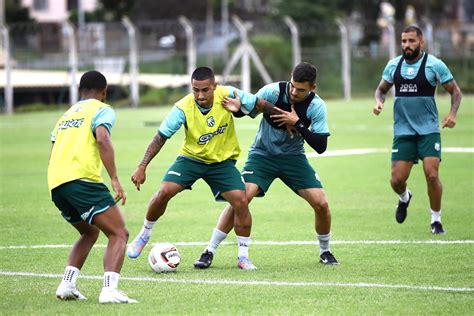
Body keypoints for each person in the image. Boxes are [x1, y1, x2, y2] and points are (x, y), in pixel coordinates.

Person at [127, 67, 279, 270]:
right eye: (195, 90)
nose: (200, 95)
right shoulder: (182, 107)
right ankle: (144, 235)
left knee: (241, 201)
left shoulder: (228, 94)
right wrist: (142, 166)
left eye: (205, 90)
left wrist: (284, 116)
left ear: (215, 87)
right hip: (191, 159)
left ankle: (243, 257)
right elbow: (160, 137)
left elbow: (259, 105)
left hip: (221, 163)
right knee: (164, 192)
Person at [194, 62, 339, 269]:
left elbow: (321, 146)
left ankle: (325, 251)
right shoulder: (272, 92)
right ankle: (209, 250)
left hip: (293, 158)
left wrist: (297, 122)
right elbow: (248, 109)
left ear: (312, 88)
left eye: (301, 89)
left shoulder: (317, 106)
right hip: (262, 156)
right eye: (292, 86)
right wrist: (237, 111)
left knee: (322, 204)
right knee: (241, 198)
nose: (294, 92)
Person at [48, 70, 137, 304]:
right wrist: (115, 178)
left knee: (90, 231)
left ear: (80, 91)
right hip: (83, 181)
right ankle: (109, 290)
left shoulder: (65, 116)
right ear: (104, 92)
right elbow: (102, 139)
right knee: (119, 233)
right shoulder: (102, 109)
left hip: (57, 184)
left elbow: (54, 148)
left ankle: (67, 284)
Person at [373, 25, 462, 234]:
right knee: (396, 180)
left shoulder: (435, 65)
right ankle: (405, 197)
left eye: (411, 41)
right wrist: (379, 102)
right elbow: (381, 89)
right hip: (403, 132)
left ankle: (436, 220)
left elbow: (455, 92)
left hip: (429, 131)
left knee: (431, 175)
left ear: (421, 42)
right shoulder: (393, 65)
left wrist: (452, 114)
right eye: (404, 41)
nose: (407, 45)